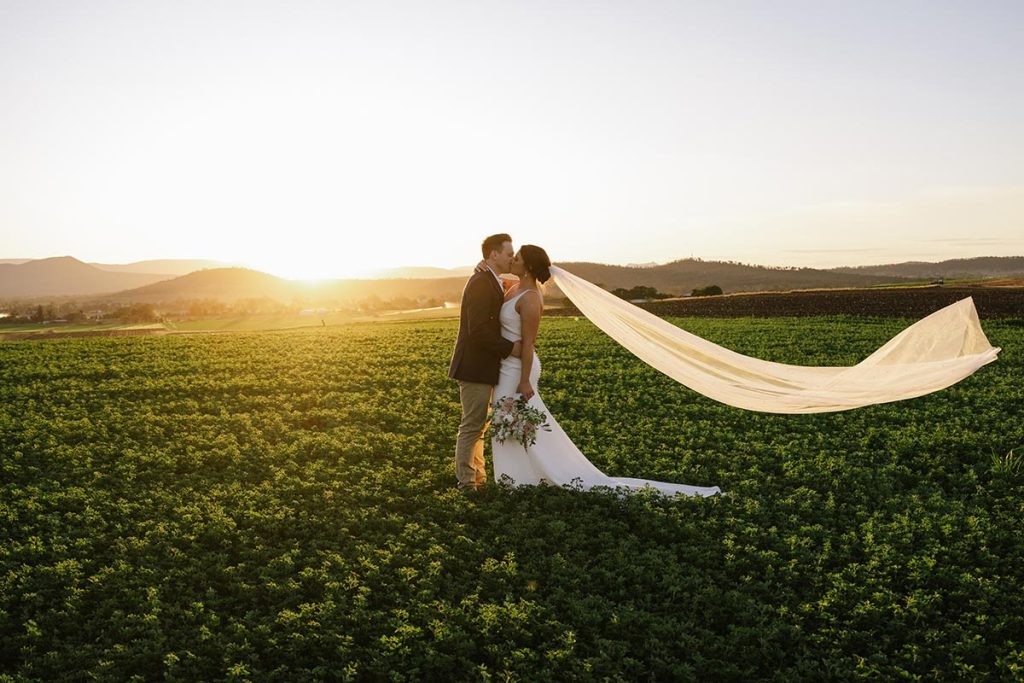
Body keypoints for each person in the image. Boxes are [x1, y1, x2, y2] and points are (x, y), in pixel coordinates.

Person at [488, 245, 721, 497]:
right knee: (515, 420)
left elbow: (529, 343)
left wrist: (524, 380)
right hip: (506, 366)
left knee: (512, 418)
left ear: (529, 266)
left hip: (519, 368)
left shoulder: (531, 297)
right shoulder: (513, 288)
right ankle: (519, 478)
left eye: (518, 258)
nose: (513, 260)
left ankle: (520, 480)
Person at [448, 233, 522, 490]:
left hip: (485, 366)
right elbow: (477, 329)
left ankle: (478, 477)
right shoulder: (481, 281)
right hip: (474, 366)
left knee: (480, 424)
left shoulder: (491, 279)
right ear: (494, 254)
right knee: (471, 425)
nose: (512, 258)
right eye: (509, 253)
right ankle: (466, 483)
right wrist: (510, 348)